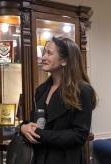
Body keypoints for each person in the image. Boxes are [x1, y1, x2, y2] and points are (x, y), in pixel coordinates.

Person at [20, 36, 97, 164]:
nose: (43, 57)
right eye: (44, 52)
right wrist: (22, 128)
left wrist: (40, 134)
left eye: (49, 53)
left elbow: (79, 136)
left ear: (64, 61)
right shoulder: (41, 90)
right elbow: (31, 121)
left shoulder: (83, 90)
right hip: (38, 158)